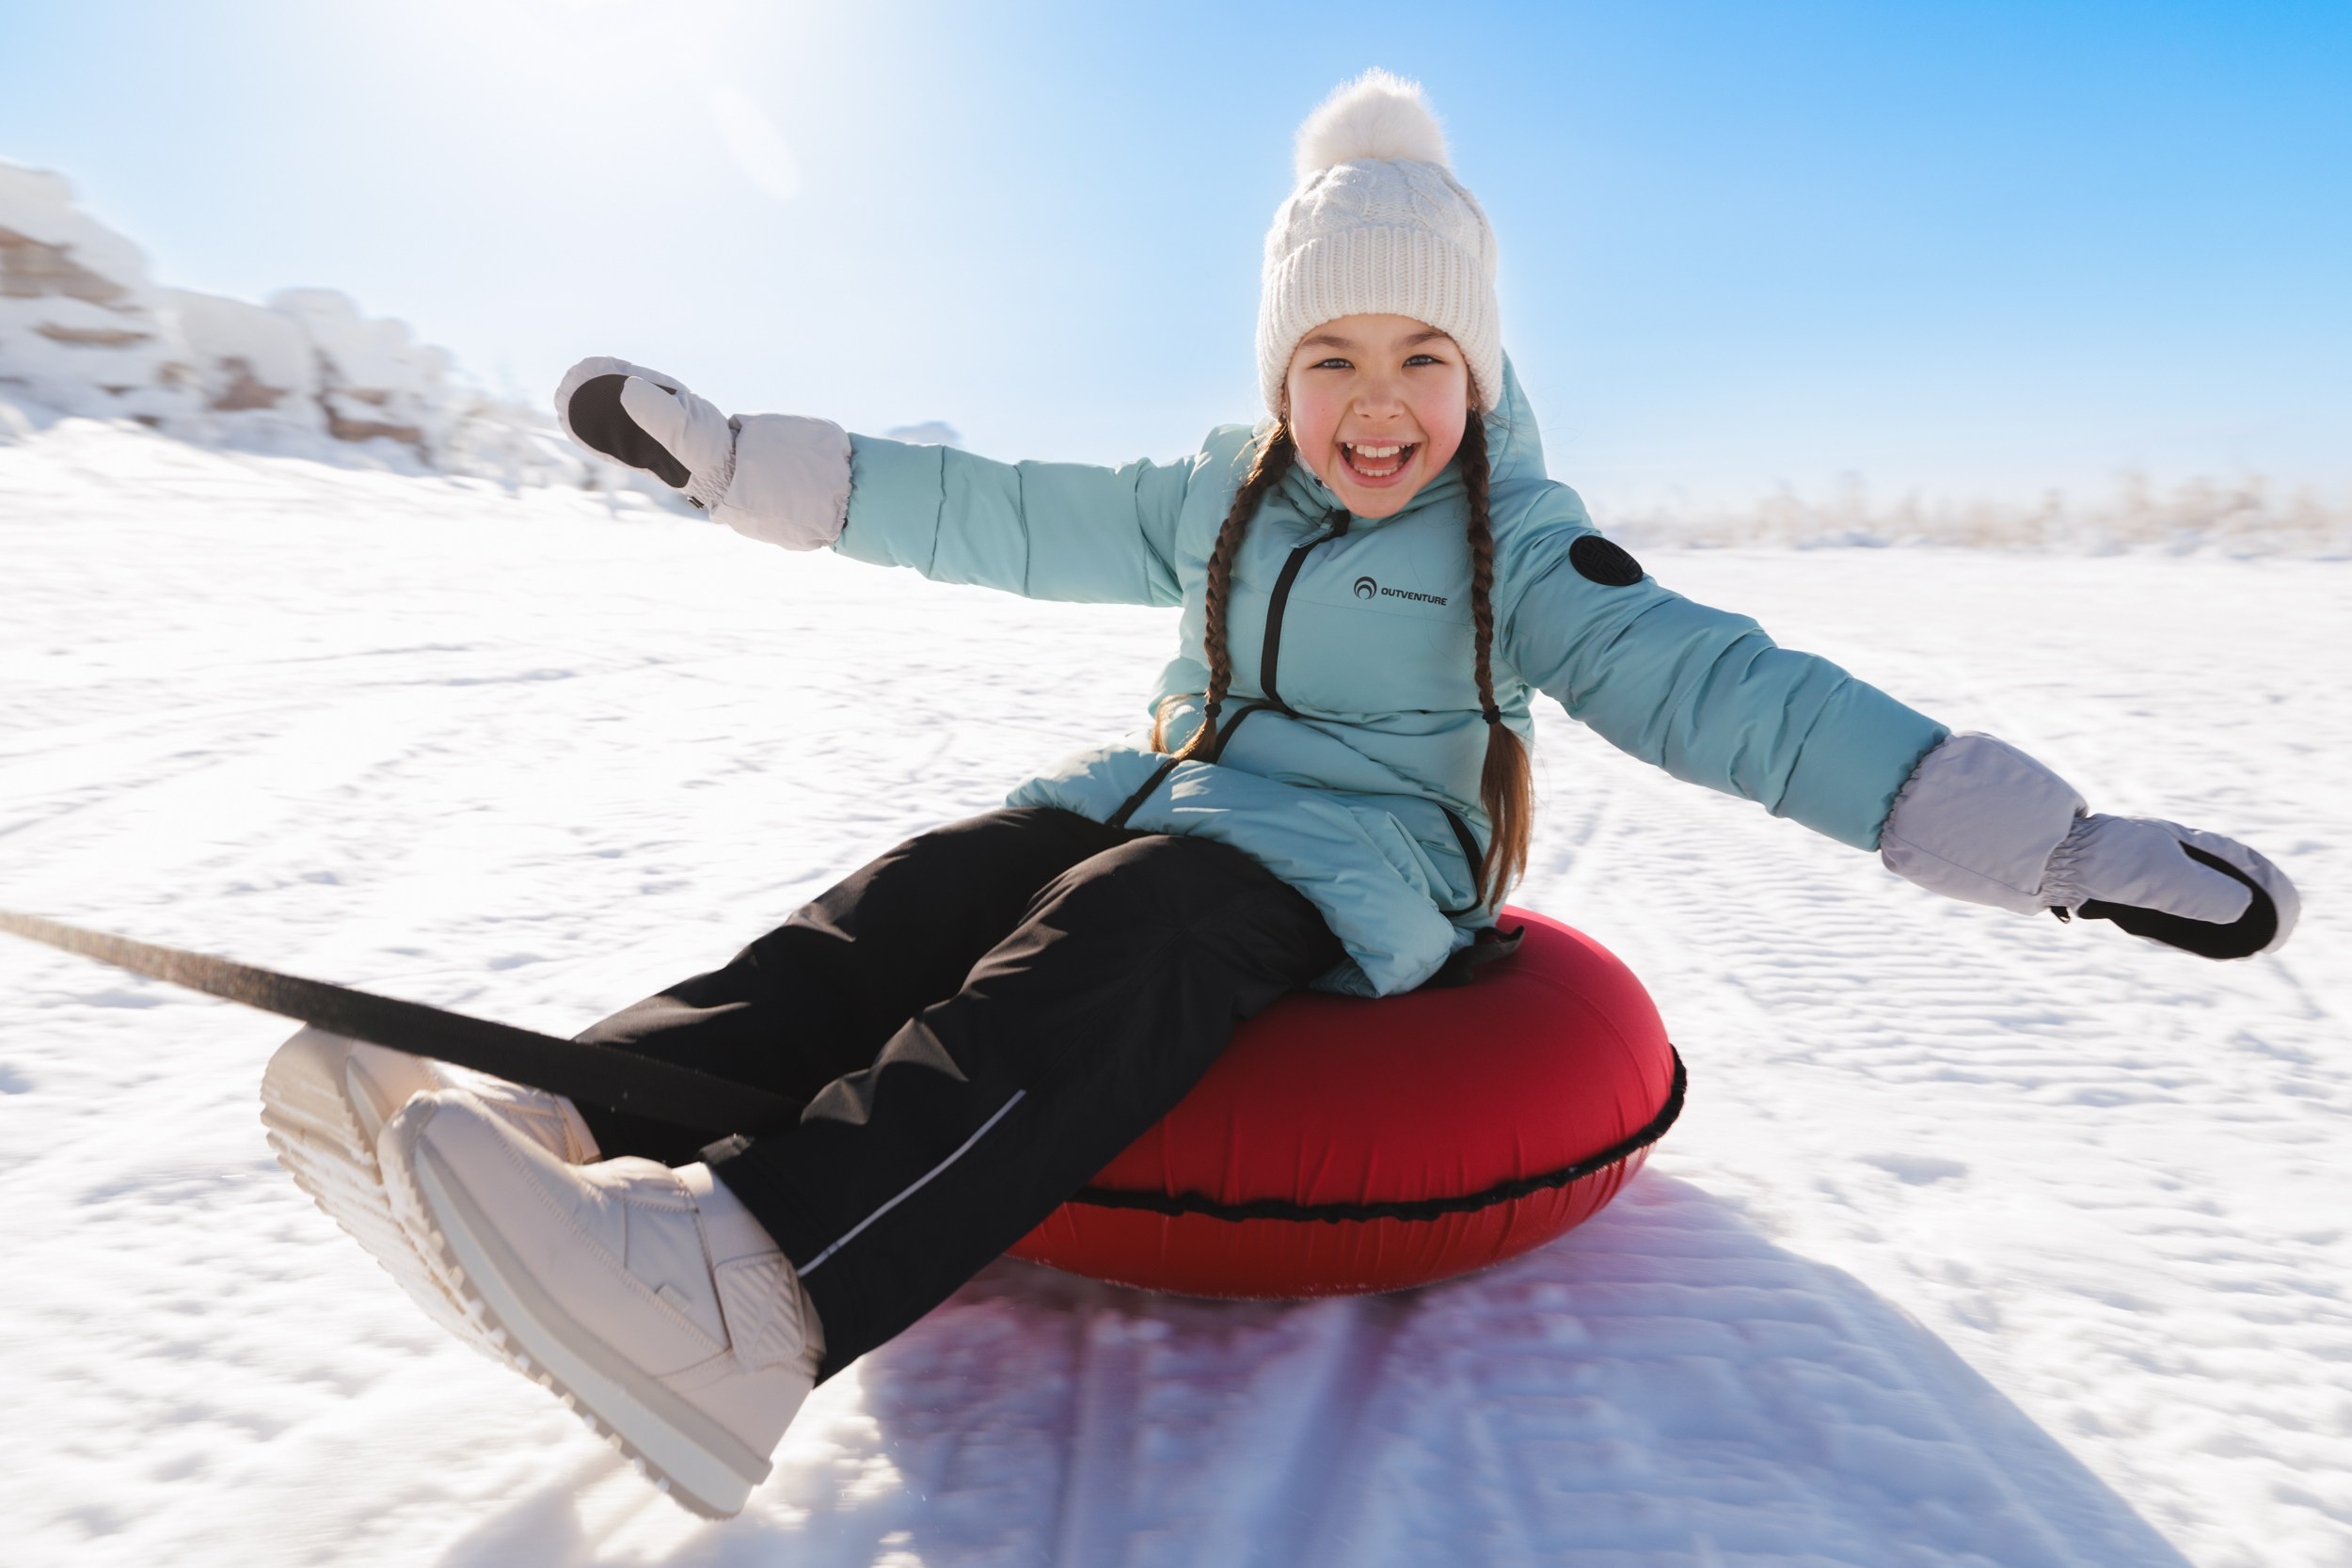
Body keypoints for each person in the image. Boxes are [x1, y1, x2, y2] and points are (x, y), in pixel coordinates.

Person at [262, 71, 2298, 1518]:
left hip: (1346, 874)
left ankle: (750, 1295)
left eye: (1426, 356)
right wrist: (743, 462)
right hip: (1153, 792)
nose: (1378, 403)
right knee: (933, 881)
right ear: (1276, 372)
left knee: (1122, 940)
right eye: (1332, 358)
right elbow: (992, 504)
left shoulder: (1521, 541)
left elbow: (1730, 694)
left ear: (1479, 375)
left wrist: (2050, 848)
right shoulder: (1217, 501)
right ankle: (559, 1113)